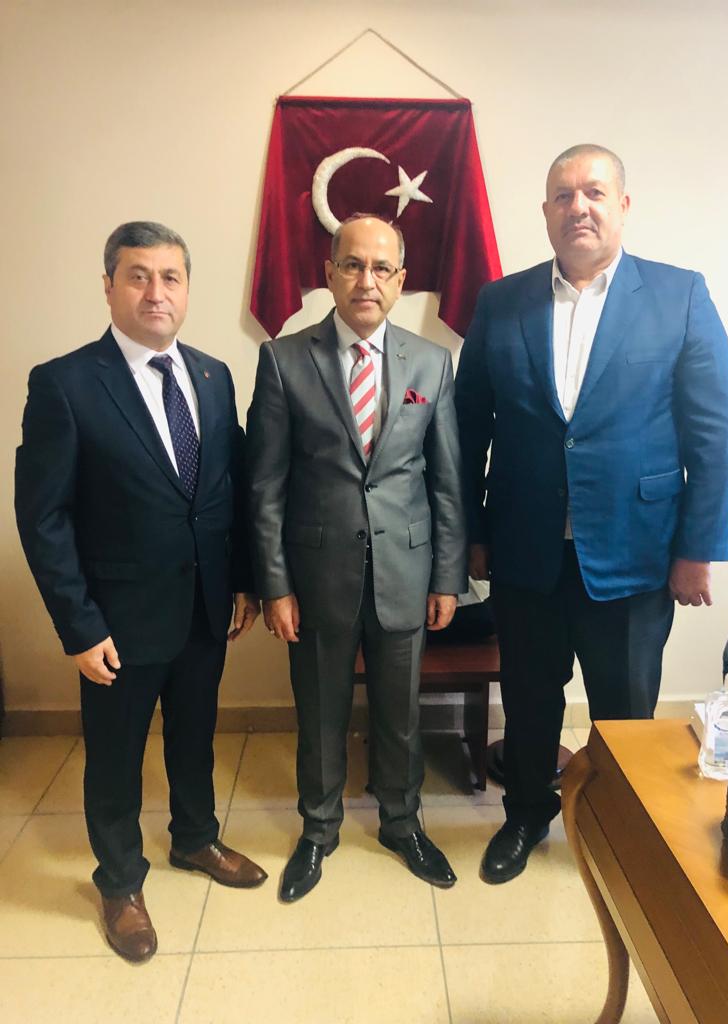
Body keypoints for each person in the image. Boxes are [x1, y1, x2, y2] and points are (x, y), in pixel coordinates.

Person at [455, 144, 728, 884]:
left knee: (624, 707)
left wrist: (697, 549)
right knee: (528, 698)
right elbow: (468, 427)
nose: (577, 206)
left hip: (637, 553)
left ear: (623, 206)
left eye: (593, 192)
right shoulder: (500, 302)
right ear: (546, 212)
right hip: (525, 550)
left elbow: (715, 433)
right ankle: (526, 815)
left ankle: (618, 827)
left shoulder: (679, 295)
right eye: (562, 195)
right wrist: (474, 534)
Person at [15, 221, 266, 963]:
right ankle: (120, 881)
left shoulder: (213, 376)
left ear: (186, 289)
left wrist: (243, 580)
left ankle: (195, 839)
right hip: (116, 622)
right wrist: (78, 625)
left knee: (195, 738)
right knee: (115, 757)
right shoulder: (64, 383)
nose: (157, 292)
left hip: (204, 608)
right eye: (138, 275)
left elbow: (230, 489)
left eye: (170, 277)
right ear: (109, 286)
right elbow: (43, 517)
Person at [246, 213, 466, 902]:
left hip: (407, 572)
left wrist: (448, 576)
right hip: (316, 576)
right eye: (352, 265)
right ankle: (318, 829)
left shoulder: (431, 363)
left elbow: (447, 480)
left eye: (381, 268)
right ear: (329, 273)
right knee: (319, 712)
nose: (366, 280)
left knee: (401, 713)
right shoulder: (284, 359)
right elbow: (265, 485)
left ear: (400, 281)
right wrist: (274, 585)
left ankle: (403, 823)